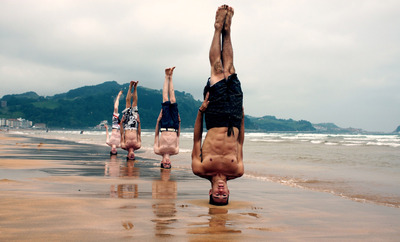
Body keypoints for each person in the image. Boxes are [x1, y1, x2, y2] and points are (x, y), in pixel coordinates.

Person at [191, 5, 244, 206]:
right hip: (234, 117)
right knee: (230, 68)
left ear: (210, 192)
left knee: (217, 69)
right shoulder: (237, 170)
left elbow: (197, 141)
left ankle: (217, 29)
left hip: (214, 119)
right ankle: (228, 31)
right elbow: (240, 143)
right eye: (224, 196)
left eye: (217, 195)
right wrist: (242, 116)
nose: (220, 192)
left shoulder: (200, 169)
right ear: (229, 192)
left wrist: (200, 112)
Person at [154, 67, 181, 169]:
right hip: (174, 125)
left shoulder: (157, 150)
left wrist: (158, 120)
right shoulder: (175, 151)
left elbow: (156, 135)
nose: (167, 162)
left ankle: (166, 76)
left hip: (164, 125)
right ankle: (171, 76)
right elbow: (178, 136)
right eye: (169, 164)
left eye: (165, 164)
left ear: (161, 162)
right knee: (173, 100)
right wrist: (179, 122)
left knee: (166, 99)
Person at [120, 81, 141, 160]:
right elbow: (139, 134)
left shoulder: (124, 146)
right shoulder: (138, 146)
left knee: (128, 103)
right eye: (133, 158)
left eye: (130, 158)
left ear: (127, 156)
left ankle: (130, 86)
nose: (132, 157)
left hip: (127, 126)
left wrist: (121, 122)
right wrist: (139, 122)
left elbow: (122, 134)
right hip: (135, 126)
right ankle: (135, 87)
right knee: (135, 104)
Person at [105, 90, 123, 155]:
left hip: (115, 125)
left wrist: (106, 128)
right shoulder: (120, 145)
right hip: (121, 127)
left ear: (111, 150)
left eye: (113, 151)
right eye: (115, 151)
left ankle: (118, 96)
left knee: (115, 108)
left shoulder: (108, 142)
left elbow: (107, 135)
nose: (114, 150)